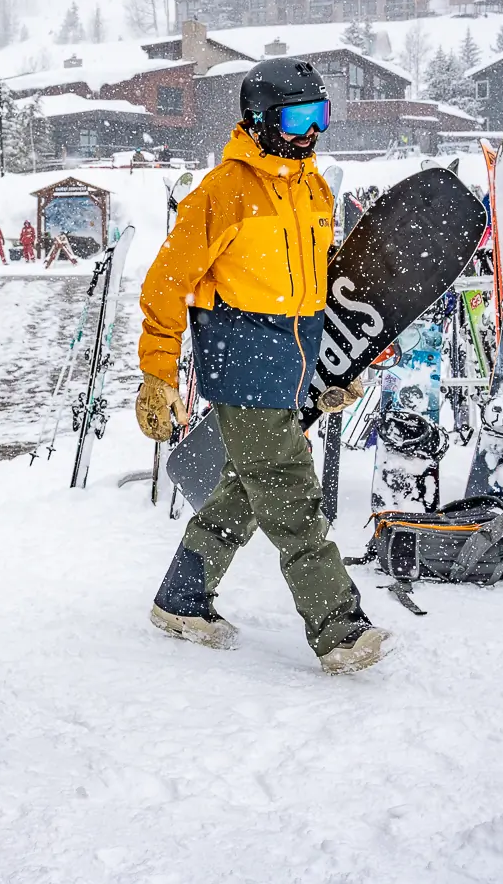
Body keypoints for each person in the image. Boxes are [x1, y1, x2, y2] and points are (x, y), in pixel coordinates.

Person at [135, 57, 391, 675]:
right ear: (260, 119)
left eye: (320, 116)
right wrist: (158, 374)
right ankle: (338, 627)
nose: (311, 132)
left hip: (293, 354)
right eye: (298, 117)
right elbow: (166, 282)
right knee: (288, 491)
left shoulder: (313, 187)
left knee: (242, 493)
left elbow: (316, 283)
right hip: (241, 356)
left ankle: (182, 597)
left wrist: (330, 365)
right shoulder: (222, 192)